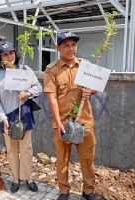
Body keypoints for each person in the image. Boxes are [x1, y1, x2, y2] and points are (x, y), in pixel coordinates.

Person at [44, 32, 97, 200]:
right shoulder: (52, 70)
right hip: (62, 123)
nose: (71, 48)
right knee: (62, 160)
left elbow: (95, 86)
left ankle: (88, 191)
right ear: (58, 48)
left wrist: (90, 91)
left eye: (73, 45)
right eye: (66, 45)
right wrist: (58, 122)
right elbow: (52, 98)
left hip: (84, 121)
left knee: (87, 159)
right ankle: (64, 191)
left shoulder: (85, 66)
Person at [0, 41, 42, 193]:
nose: (9, 56)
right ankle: (15, 178)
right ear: (0, 58)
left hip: (24, 113)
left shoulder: (25, 69)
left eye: (11, 52)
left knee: (26, 149)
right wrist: (2, 118)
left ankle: (28, 178)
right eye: (5, 54)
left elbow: (38, 87)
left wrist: (28, 93)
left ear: (16, 53)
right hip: (7, 117)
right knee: (12, 150)